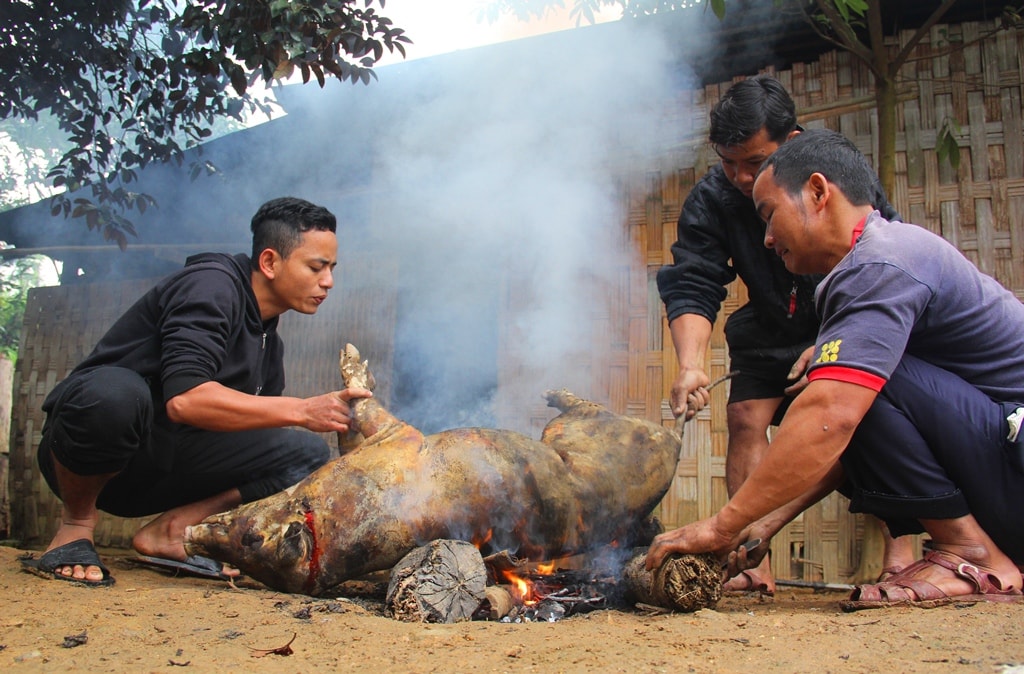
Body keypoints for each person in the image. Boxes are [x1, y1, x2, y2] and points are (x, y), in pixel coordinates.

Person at [647, 128, 1024, 609]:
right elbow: (851, 435)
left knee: (850, 386)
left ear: (818, 192)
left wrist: (721, 525)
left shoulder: (883, 264)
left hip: (1014, 460)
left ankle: (972, 552)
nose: (764, 239)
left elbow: (834, 416)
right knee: (849, 382)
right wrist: (760, 525)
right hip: (1003, 465)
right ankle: (972, 547)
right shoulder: (868, 268)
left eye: (769, 216)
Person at [22, 196, 373, 586]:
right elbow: (185, 400)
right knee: (115, 394)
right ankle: (75, 526)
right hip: (89, 455)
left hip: (160, 474)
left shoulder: (269, 346)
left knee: (304, 454)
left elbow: (250, 437)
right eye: (316, 267)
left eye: (331, 269)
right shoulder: (211, 286)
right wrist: (304, 410)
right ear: (270, 262)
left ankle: (173, 532)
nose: (328, 282)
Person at [656, 75, 910, 594]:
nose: (741, 178)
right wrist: (690, 363)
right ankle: (753, 562)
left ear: (791, 144)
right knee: (746, 415)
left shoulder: (832, 175)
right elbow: (695, 278)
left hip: (846, 318)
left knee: (872, 420)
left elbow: (879, 258)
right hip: (771, 323)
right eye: (728, 163)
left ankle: (901, 554)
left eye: (754, 162)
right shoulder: (713, 197)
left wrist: (840, 338)